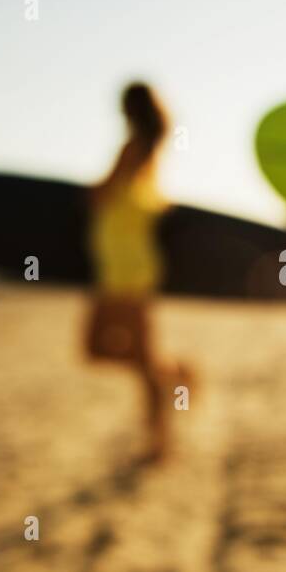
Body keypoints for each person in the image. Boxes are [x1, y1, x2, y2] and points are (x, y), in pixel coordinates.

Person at [86, 82, 189, 461]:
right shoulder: (149, 153)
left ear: (130, 109)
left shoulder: (132, 150)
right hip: (122, 267)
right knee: (118, 354)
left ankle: (161, 441)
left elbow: (101, 196)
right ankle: (173, 374)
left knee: (103, 350)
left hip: (127, 269)